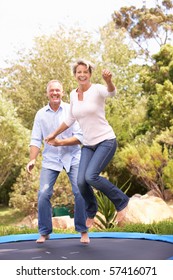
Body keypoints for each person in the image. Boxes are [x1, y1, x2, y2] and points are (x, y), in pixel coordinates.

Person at [45, 59, 129, 228]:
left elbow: (112, 93)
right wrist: (53, 134)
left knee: (91, 176)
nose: (82, 74)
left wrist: (108, 81)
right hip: (89, 145)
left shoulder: (97, 89)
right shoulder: (73, 94)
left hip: (106, 140)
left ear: (90, 74)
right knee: (81, 181)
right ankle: (91, 211)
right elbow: (69, 119)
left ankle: (122, 201)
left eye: (85, 72)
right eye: (79, 72)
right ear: (75, 75)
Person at [26, 79, 89, 244]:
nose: (54, 93)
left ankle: (83, 231)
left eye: (57, 90)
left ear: (62, 92)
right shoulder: (40, 114)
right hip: (51, 160)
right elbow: (35, 139)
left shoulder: (71, 110)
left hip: (73, 157)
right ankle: (45, 232)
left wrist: (60, 142)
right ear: (47, 93)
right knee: (43, 194)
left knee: (80, 192)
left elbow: (80, 137)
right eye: (51, 90)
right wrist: (32, 159)